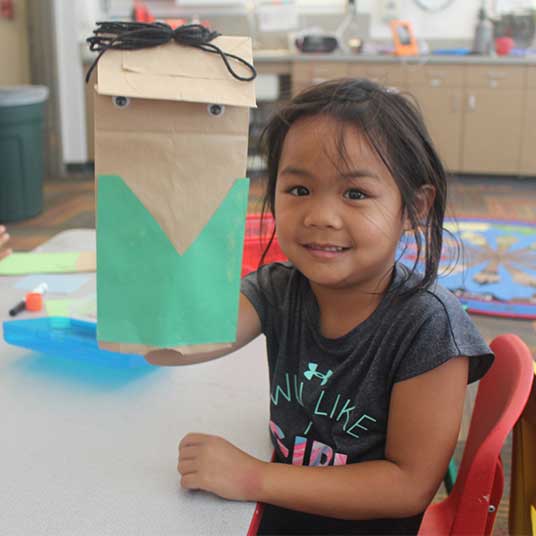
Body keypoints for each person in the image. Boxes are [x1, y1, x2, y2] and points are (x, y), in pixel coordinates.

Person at [145, 78, 493, 535]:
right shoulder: (280, 288)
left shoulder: (428, 326)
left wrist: (253, 476)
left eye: (355, 194)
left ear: (412, 209)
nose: (319, 216)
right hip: (276, 509)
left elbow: (407, 486)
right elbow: (172, 346)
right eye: (299, 190)